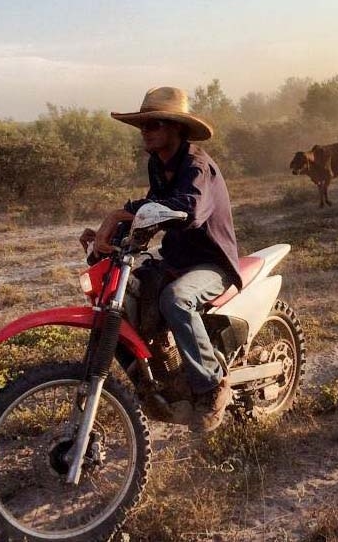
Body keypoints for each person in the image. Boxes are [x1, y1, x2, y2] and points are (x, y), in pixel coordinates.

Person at [80, 86, 240, 432]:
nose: (146, 132)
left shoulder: (197, 166)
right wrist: (109, 236)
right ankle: (159, 380)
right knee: (124, 305)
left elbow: (189, 211)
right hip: (176, 260)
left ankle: (213, 385)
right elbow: (151, 210)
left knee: (176, 300)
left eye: (154, 125)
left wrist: (121, 214)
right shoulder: (159, 165)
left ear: (176, 128)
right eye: (143, 126)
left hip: (212, 264)